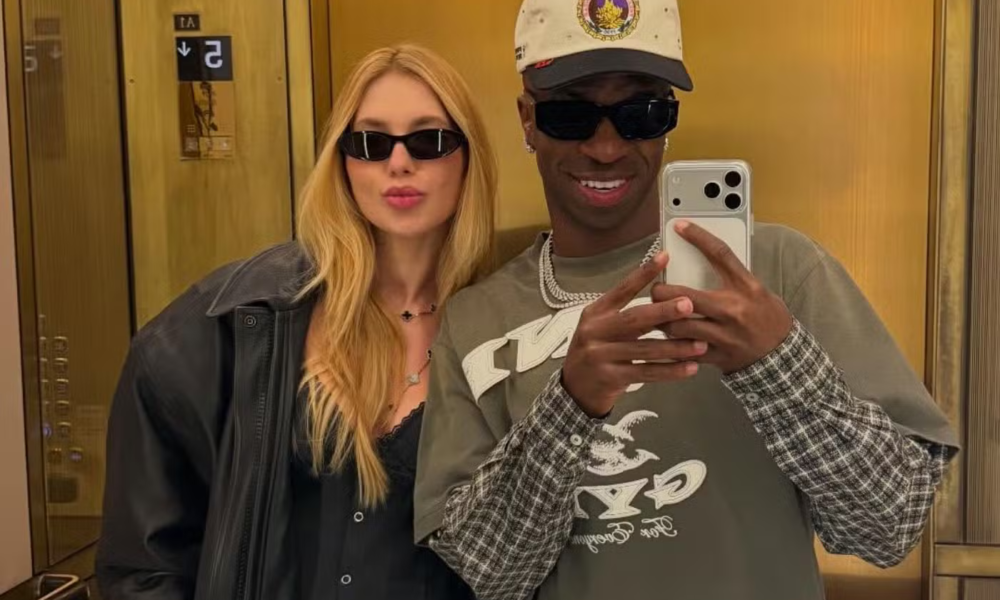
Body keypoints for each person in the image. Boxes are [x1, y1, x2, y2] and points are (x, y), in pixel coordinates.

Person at [413, 1, 960, 599]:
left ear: (669, 119)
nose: (605, 148)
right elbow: (491, 576)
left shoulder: (780, 270)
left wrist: (778, 367)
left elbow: (889, 527)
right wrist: (569, 404)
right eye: (570, 115)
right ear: (527, 120)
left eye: (641, 114)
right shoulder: (474, 319)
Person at [96, 44, 496, 600]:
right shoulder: (235, 320)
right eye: (370, 143)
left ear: (468, 158)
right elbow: (142, 565)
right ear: (341, 161)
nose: (399, 163)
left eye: (428, 140)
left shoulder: (508, 324)